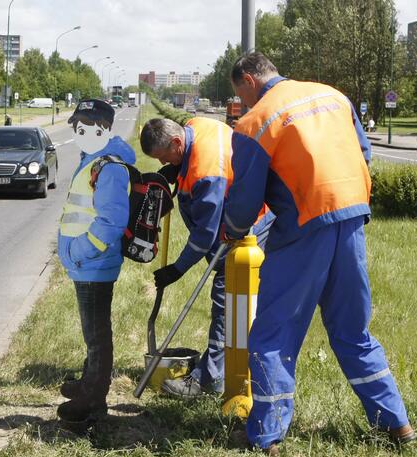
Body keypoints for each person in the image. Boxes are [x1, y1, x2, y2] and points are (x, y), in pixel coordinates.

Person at [222, 52, 415, 454]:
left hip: (305, 227)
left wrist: (234, 231)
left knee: (272, 334)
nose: (241, 103)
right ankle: (396, 423)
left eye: (240, 94)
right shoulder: (333, 97)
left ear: (249, 81)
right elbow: (364, 155)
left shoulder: (255, 123)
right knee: (352, 331)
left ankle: (267, 435)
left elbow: (244, 200)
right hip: (351, 219)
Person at [139, 117, 273, 399]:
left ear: (177, 142)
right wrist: (178, 168)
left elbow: (205, 235)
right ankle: (230, 365)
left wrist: (177, 269)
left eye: (166, 157)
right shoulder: (195, 125)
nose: (165, 163)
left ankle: (208, 380)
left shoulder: (206, 172)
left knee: (226, 300)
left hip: (246, 226)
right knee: (235, 303)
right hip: (238, 211)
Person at [56, 99, 136, 424]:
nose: (80, 132)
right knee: (92, 331)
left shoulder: (110, 167)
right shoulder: (93, 158)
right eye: (77, 126)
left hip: (94, 264)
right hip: (86, 264)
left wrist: (79, 250)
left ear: (103, 128)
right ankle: (88, 382)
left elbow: (112, 221)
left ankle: (93, 400)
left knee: (97, 334)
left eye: (87, 126)